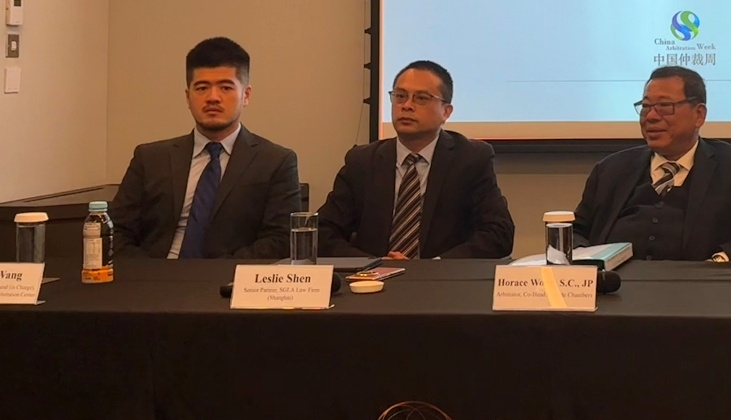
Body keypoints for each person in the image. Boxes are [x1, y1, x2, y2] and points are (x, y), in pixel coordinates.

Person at [112, 37, 301, 259]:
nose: (213, 98)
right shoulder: (150, 158)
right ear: (188, 97)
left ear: (246, 95)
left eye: (226, 87)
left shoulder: (276, 162)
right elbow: (117, 231)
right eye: (202, 88)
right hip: (155, 274)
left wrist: (213, 273)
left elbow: (281, 240)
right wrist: (150, 273)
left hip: (229, 276)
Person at [572, 66, 731, 262]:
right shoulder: (611, 169)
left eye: (664, 106)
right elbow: (575, 233)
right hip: (617, 283)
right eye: (646, 106)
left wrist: (717, 263)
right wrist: (589, 261)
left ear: (699, 115)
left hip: (699, 284)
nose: (651, 117)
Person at [318, 60, 514, 259]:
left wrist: (433, 267)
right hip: (373, 275)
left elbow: (499, 234)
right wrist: (372, 265)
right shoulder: (362, 161)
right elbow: (323, 233)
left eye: (421, 98)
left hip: (441, 276)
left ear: (446, 112)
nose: (407, 106)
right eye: (400, 96)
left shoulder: (470, 159)